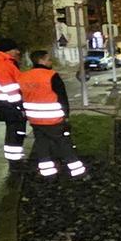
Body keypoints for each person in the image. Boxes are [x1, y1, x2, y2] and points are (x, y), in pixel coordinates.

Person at [19, 51, 87, 180]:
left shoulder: (24, 76)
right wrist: (66, 115)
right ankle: (77, 172)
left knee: (42, 146)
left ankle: (48, 174)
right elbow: (62, 97)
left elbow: (22, 96)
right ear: (41, 60)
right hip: (53, 119)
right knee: (64, 144)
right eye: (48, 59)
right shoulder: (51, 75)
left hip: (35, 119)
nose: (51, 62)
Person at [0, 38, 27, 168]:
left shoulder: (1, 62)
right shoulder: (3, 64)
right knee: (15, 131)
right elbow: (9, 87)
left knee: (14, 130)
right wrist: (19, 106)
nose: (18, 52)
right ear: (8, 50)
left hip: (4, 102)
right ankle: (15, 162)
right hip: (10, 103)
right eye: (15, 49)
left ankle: (15, 159)